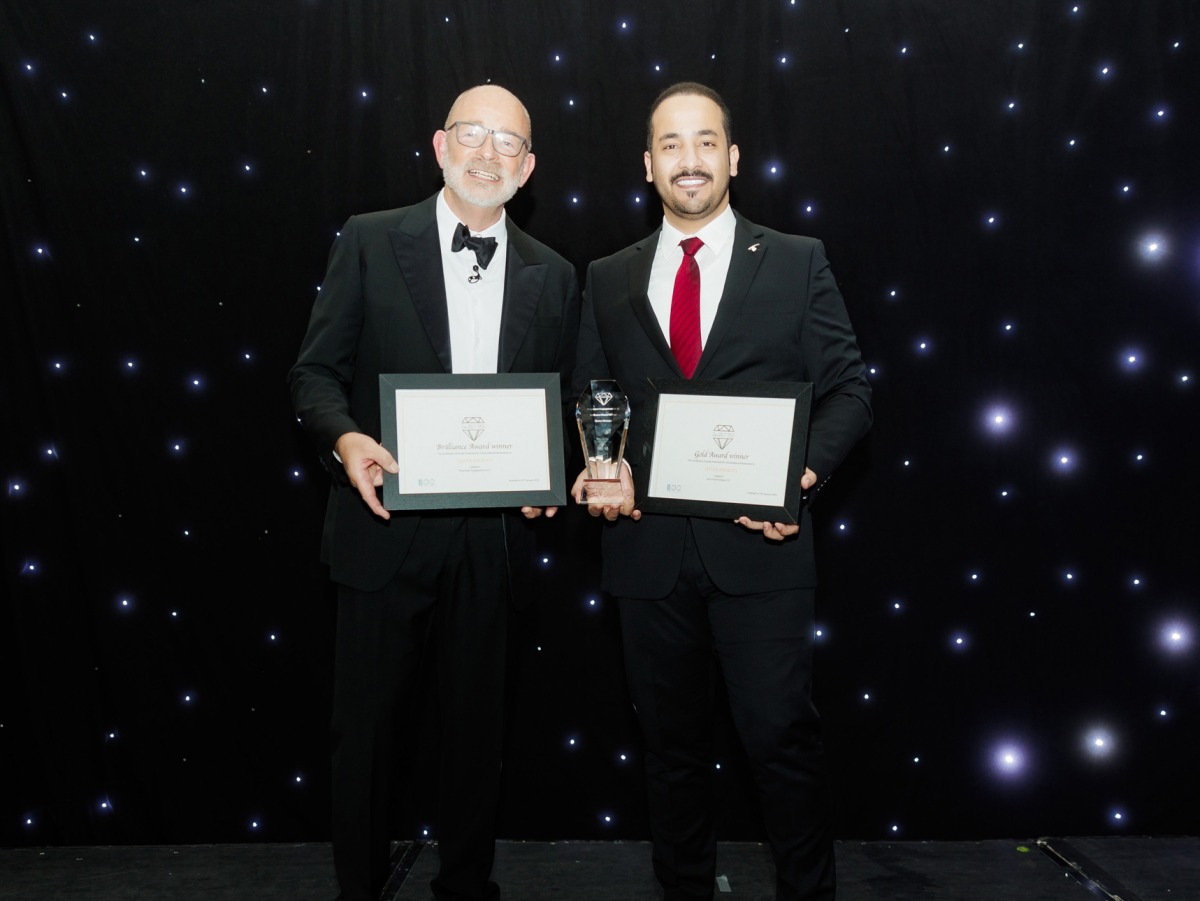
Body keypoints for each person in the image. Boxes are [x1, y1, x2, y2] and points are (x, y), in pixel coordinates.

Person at [571, 82, 872, 901]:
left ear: (734, 158)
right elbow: (593, 397)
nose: (690, 160)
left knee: (782, 744)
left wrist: (795, 479)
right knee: (668, 755)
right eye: (671, 144)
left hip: (761, 550)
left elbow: (850, 391)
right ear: (647, 165)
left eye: (706, 142)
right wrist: (603, 462)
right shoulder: (605, 276)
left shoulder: (797, 259)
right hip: (647, 553)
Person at [289, 84, 580, 901]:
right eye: (473, 135)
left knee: (476, 735)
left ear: (528, 170)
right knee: (368, 734)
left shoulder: (555, 276)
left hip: (492, 542)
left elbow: (559, 401)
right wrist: (345, 438)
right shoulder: (371, 240)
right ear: (440, 145)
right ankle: (360, 887)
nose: (489, 153)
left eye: (509, 144)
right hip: (382, 528)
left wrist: (549, 476)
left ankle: (465, 886)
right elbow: (313, 372)